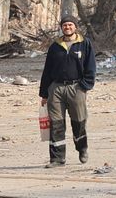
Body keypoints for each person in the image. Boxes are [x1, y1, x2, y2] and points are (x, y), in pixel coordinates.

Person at [38, 15, 96, 167]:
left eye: (70, 25)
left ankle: (82, 148)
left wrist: (85, 85)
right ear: (61, 28)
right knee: (56, 124)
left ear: (75, 27)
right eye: (65, 25)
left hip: (76, 88)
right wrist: (44, 93)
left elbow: (91, 67)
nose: (67, 27)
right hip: (56, 89)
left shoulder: (84, 44)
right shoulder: (55, 46)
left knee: (79, 121)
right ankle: (57, 159)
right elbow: (47, 71)